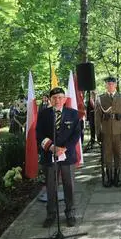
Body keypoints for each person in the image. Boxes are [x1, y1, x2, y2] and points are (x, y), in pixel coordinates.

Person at [36, 87, 81, 228]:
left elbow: (76, 134)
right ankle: (51, 214)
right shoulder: (43, 114)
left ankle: (70, 214)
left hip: (67, 155)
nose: (57, 100)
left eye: (60, 97)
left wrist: (63, 148)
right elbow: (39, 134)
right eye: (54, 98)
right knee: (50, 186)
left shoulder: (73, 114)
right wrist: (52, 147)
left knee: (69, 186)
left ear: (65, 99)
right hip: (50, 155)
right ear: (50, 100)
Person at [95, 77, 121, 188]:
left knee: (118, 155)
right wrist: (98, 132)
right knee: (107, 155)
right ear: (106, 85)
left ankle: (117, 178)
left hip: (118, 132)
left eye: (112, 84)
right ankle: (109, 178)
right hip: (106, 132)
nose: (110, 86)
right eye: (108, 84)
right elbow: (97, 118)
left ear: (115, 85)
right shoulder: (100, 98)